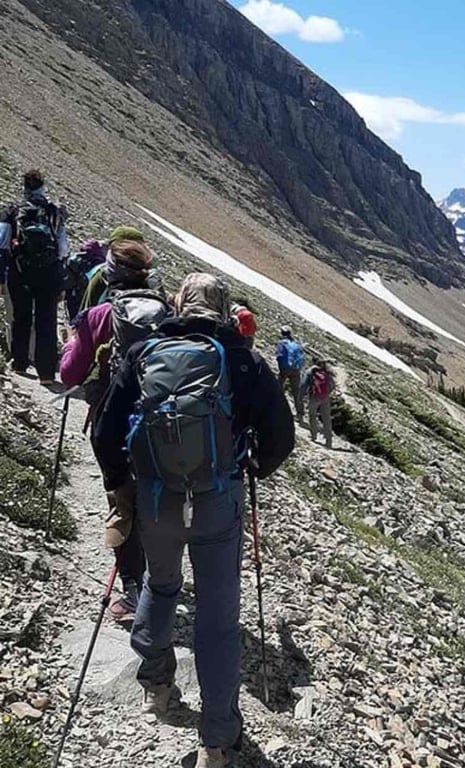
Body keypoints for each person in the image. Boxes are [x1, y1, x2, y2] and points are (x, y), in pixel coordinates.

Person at [94, 273, 294, 768]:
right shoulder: (242, 359)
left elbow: (104, 431)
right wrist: (252, 467)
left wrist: (123, 483)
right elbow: (281, 436)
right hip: (217, 502)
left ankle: (157, 686)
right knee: (218, 621)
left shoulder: (144, 352)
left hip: (156, 499)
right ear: (223, 310)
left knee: (161, 587)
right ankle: (216, 742)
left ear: (178, 305)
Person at [60, 235, 168, 623]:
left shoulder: (99, 316)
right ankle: (164, 577)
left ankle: (133, 589)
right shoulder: (168, 313)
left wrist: (71, 342)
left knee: (122, 501)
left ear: (110, 274)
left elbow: (70, 373)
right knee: (157, 496)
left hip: (112, 422)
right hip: (163, 420)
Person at [0, 170, 69, 384]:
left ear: (24, 187)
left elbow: (2, 243)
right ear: (42, 187)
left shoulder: (12, 210)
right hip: (49, 274)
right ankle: (46, 373)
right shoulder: (54, 212)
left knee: (21, 317)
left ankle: (20, 363)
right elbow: (63, 248)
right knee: (46, 321)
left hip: (20, 272)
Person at [63, 238, 106, 322]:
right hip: (89, 296)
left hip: (73, 295)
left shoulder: (74, 260)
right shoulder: (100, 263)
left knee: (74, 320)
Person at [300, 356, 335, 448]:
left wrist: (301, 396)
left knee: (312, 415)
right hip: (325, 397)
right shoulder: (326, 371)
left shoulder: (310, 371)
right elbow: (332, 385)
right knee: (326, 418)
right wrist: (327, 393)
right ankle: (329, 441)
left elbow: (303, 384)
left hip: (314, 397)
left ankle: (314, 435)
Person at [275, 325, 305, 419]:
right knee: (296, 391)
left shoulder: (281, 343)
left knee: (279, 388)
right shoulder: (296, 343)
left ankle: (276, 407)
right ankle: (300, 412)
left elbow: (279, 356)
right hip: (296, 369)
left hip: (285, 369)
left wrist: (281, 369)